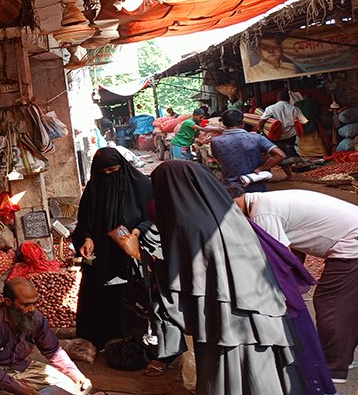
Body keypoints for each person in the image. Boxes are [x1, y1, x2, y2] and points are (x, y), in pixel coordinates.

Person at [148, 161, 313, 394]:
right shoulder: (226, 213)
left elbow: (182, 282)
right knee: (263, 372)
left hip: (225, 315)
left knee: (233, 373)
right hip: (260, 308)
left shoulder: (187, 224)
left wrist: (144, 258)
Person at [236, 189, 358, 385]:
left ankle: (333, 367)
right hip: (351, 236)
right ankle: (342, 357)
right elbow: (291, 251)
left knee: (331, 303)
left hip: (352, 243)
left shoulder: (262, 213)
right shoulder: (265, 201)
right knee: (347, 304)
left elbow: (278, 257)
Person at [0, 277, 92, 395]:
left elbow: (53, 351)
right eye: (26, 305)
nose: (32, 309)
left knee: (69, 387)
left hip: (15, 366)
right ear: (8, 302)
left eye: (35, 303)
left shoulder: (36, 318)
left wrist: (77, 376)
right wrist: (20, 390)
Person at [72, 147, 153, 349]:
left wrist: (136, 232)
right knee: (100, 293)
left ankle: (133, 337)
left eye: (113, 170)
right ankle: (100, 338)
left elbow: (153, 218)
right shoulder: (93, 189)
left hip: (130, 251)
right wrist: (87, 238)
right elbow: (84, 222)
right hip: (102, 254)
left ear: (122, 167)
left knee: (132, 293)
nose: (108, 176)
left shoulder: (142, 186)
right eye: (104, 173)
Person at [210, 109, 285, 193]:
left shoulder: (215, 141)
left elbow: (218, 160)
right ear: (242, 123)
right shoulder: (256, 138)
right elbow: (280, 155)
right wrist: (262, 167)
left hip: (232, 189)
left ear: (224, 124)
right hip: (256, 186)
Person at [258, 90, 307, 177]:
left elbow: (262, 120)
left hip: (276, 136)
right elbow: (304, 121)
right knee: (288, 151)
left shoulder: (271, 108)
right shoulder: (295, 108)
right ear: (288, 99)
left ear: (277, 98)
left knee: (276, 154)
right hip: (291, 136)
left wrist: (260, 129)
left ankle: (285, 173)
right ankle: (293, 164)